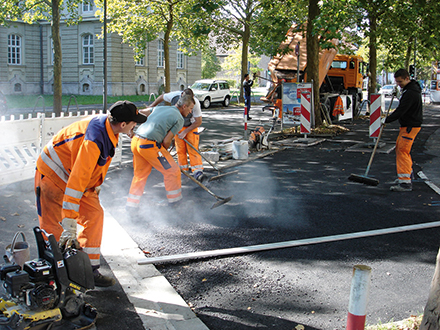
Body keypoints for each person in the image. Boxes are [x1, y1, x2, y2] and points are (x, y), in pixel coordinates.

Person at [34, 101, 147, 287]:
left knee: (94, 215)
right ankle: (53, 281)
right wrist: (69, 221)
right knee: (53, 229)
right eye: (134, 122)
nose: (136, 125)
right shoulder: (93, 140)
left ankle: (88, 272)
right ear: (123, 124)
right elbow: (77, 181)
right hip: (52, 177)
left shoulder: (109, 130)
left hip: (73, 176)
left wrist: (94, 184)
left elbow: (89, 170)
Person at [126, 94, 195, 210]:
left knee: (139, 175)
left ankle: (131, 206)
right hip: (149, 145)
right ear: (184, 106)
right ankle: (175, 203)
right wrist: (164, 151)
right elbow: (166, 140)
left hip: (136, 141)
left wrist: (130, 128)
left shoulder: (160, 108)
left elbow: (138, 113)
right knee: (172, 171)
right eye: (190, 108)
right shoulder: (179, 119)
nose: (191, 112)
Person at [148, 89, 205, 181]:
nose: (190, 110)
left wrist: (185, 132)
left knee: (193, 149)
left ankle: (197, 171)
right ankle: (184, 171)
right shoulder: (174, 96)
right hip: (179, 125)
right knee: (180, 149)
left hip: (191, 126)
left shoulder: (195, 103)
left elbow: (198, 121)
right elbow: (162, 97)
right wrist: (151, 106)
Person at [384, 68, 423, 192]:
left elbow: (401, 110)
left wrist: (386, 120)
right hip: (408, 125)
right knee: (400, 148)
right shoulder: (410, 90)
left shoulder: (410, 93)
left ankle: (405, 182)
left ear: (407, 78)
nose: (398, 84)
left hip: (410, 126)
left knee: (402, 151)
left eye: (400, 82)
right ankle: (406, 175)